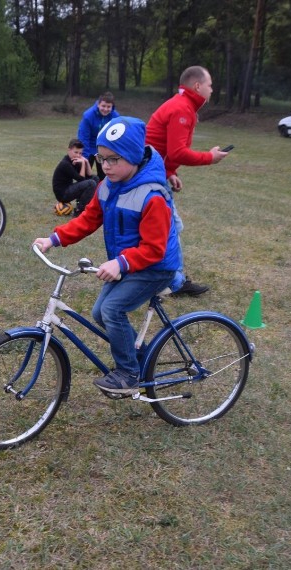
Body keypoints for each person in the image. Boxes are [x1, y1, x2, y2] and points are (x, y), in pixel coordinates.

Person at [33, 116, 183, 395]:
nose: (106, 166)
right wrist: (54, 239)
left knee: (112, 310)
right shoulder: (107, 186)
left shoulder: (153, 196)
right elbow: (88, 219)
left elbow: (154, 248)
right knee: (100, 312)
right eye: (101, 158)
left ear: (135, 157)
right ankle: (141, 360)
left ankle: (128, 374)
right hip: (128, 262)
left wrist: (121, 262)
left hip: (155, 266)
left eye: (114, 159)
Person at [144, 65, 230, 297]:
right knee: (170, 229)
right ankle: (174, 283)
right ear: (197, 86)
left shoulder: (182, 105)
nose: (212, 90)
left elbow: (163, 148)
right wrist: (210, 158)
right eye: (210, 85)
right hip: (150, 177)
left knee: (162, 228)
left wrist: (170, 172)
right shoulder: (183, 109)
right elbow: (177, 151)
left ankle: (163, 279)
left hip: (153, 173)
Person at [77, 92, 120, 179]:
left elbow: (116, 136)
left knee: (104, 175)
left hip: (104, 147)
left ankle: (102, 190)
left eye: (108, 107)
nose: (105, 109)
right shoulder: (88, 116)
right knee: (84, 175)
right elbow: (84, 137)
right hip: (89, 146)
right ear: (98, 105)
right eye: (103, 106)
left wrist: (111, 153)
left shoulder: (115, 117)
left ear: (112, 107)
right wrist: (85, 157)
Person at [51, 138, 98, 216]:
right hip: (62, 194)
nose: (78, 155)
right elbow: (81, 179)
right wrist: (83, 164)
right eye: (76, 152)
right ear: (69, 150)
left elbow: (89, 175)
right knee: (90, 183)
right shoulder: (65, 164)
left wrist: (86, 161)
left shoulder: (76, 160)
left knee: (94, 178)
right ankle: (79, 211)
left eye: (80, 153)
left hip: (68, 188)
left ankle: (83, 205)